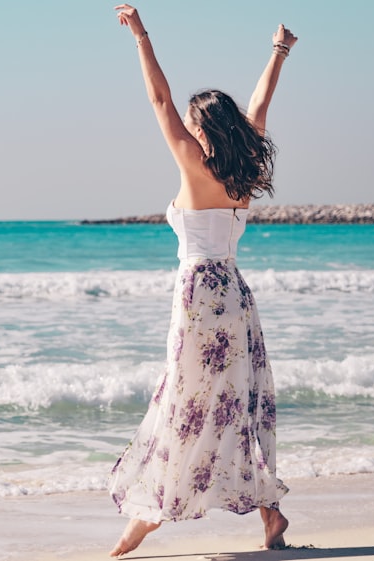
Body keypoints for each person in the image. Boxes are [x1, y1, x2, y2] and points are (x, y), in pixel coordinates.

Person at [108, 4, 297, 557]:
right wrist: (278, 52)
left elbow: (160, 100)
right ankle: (270, 513)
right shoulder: (244, 168)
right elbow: (260, 103)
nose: (185, 126)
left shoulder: (194, 162)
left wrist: (141, 35)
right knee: (236, 402)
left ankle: (150, 515)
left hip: (196, 294)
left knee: (182, 402)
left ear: (200, 127)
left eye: (192, 122)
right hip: (235, 293)